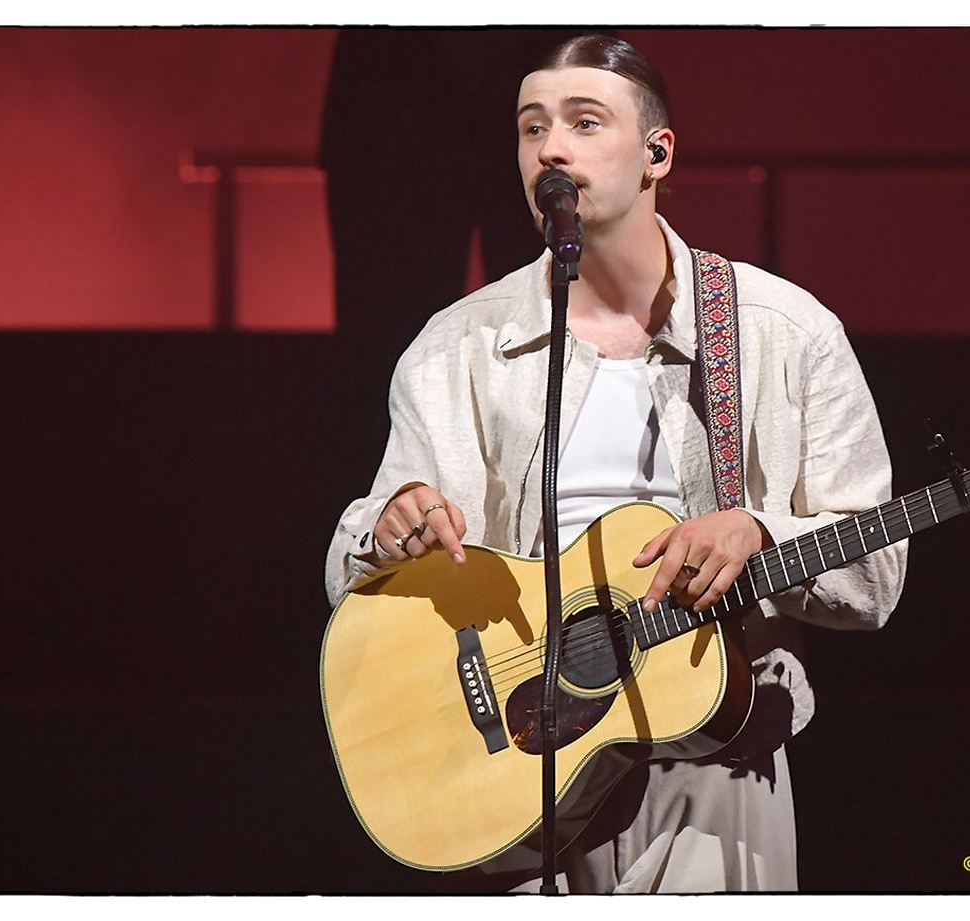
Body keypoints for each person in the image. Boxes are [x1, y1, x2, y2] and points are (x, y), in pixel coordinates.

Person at [324, 34, 907, 893]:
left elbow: (877, 572)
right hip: (522, 782)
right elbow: (357, 574)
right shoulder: (456, 349)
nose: (551, 149)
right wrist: (390, 524)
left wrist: (759, 533)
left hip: (715, 773)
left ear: (656, 155)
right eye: (532, 128)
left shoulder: (785, 333)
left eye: (585, 122)